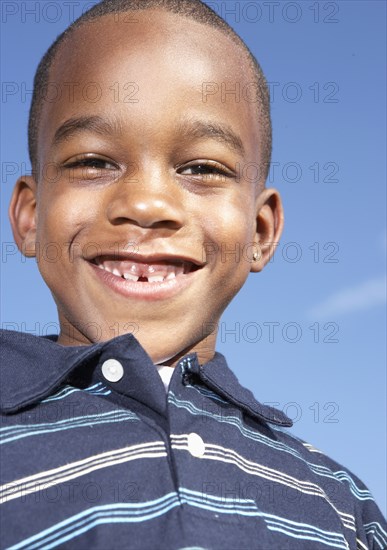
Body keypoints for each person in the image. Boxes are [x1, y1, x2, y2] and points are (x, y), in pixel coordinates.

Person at [1, 0, 386, 548]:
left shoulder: (340, 502)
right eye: (93, 161)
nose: (147, 202)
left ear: (260, 231)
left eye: (202, 168)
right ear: (30, 216)